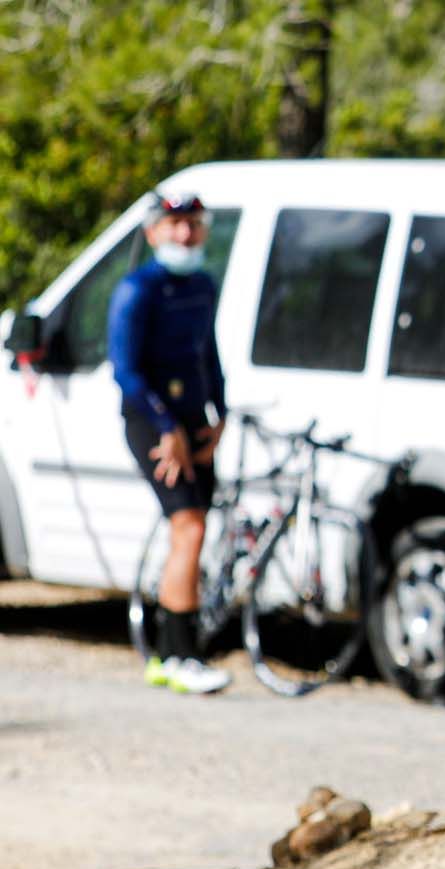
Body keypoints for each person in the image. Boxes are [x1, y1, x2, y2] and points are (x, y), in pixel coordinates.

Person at [109, 192, 231, 695]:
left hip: (191, 419)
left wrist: (219, 415)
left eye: (193, 225)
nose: (185, 235)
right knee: (190, 527)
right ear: (153, 231)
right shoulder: (138, 289)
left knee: (190, 531)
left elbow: (208, 352)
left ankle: (164, 653)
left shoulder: (202, 285)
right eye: (175, 224)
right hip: (151, 421)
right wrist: (166, 428)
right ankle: (184, 655)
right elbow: (126, 372)